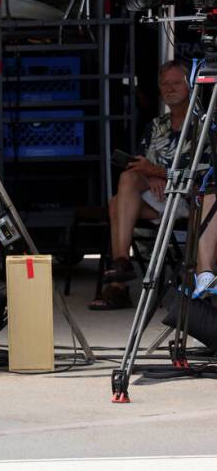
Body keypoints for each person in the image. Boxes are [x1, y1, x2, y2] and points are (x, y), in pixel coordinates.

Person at [89, 61, 192, 310]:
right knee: (126, 182)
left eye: (176, 82)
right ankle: (122, 263)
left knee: (116, 204)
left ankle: (119, 283)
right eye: (164, 84)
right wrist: (151, 175)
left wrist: (157, 172)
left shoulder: (204, 123)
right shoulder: (156, 126)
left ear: (190, 85)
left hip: (187, 199)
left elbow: (200, 174)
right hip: (155, 198)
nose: (169, 88)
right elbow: (140, 166)